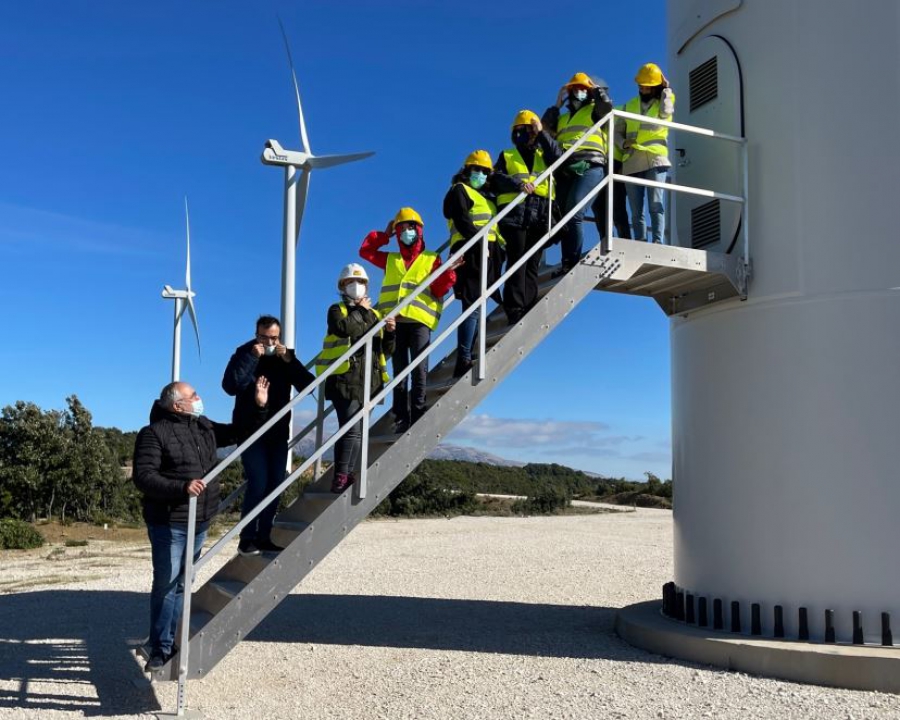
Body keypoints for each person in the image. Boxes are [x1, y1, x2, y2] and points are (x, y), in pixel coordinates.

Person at [133, 377, 269, 672]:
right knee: (167, 585)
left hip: (200, 520)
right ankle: (160, 648)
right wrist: (182, 487)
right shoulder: (153, 434)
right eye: (193, 395)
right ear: (178, 405)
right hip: (170, 523)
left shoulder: (203, 426)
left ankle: (171, 639)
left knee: (183, 584)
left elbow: (237, 433)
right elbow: (143, 477)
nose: (198, 398)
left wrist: (258, 406)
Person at [222, 315, 315, 557]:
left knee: (275, 483)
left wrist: (289, 359)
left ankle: (264, 536)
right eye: (264, 337)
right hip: (250, 431)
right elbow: (231, 385)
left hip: (277, 431)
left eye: (274, 338)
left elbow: (308, 384)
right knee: (258, 482)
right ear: (256, 334)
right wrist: (253, 357)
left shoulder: (285, 357)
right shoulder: (244, 353)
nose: (269, 342)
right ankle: (246, 539)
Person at [360, 207, 456, 433]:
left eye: (410, 227)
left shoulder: (432, 258)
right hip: (394, 322)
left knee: (419, 368)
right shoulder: (391, 259)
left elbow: (439, 289)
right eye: (401, 228)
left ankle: (418, 410)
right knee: (400, 369)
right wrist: (384, 235)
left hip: (419, 321)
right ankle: (400, 414)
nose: (406, 231)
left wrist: (449, 273)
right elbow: (366, 251)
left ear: (419, 231)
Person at [315, 264, 396, 493]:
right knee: (350, 429)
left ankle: (345, 473)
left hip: (370, 382)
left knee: (356, 430)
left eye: (360, 282)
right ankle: (341, 476)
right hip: (345, 380)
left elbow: (385, 351)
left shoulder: (375, 314)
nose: (356, 286)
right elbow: (343, 329)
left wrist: (390, 332)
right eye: (351, 282)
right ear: (342, 286)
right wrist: (361, 311)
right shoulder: (336, 309)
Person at [493, 110, 563, 324]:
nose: (524, 134)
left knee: (532, 264)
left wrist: (542, 133)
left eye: (528, 130)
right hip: (515, 217)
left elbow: (559, 158)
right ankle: (514, 309)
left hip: (539, 216)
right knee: (517, 262)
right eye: (520, 130)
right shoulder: (507, 155)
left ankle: (528, 307)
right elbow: (495, 179)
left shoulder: (545, 154)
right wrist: (518, 185)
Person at [542, 72, 613, 276]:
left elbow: (607, 108)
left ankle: (572, 263)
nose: (578, 92)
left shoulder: (594, 110)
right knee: (564, 216)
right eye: (575, 89)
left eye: (583, 89)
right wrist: (556, 103)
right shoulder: (563, 117)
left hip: (591, 165)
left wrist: (595, 89)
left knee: (574, 213)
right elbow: (545, 129)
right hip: (566, 169)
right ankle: (566, 262)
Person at [443, 149, 506, 377]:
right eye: (477, 170)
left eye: (484, 171)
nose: (481, 174)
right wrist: (479, 243)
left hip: (486, 251)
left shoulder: (486, 197)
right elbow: (461, 219)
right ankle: (464, 357)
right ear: (467, 170)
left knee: (479, 305)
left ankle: (471, 352)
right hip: (470, 250)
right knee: (472, 304)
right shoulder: (459, 190)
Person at [616, 62, 676, 244]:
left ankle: (657, 240)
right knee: (636, 210)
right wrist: (622, 143)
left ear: (656, 86)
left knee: (655, 205)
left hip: (655, 159)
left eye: (647, 86)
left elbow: (666, 113)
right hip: (632, 160)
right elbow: (616, 130)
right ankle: (640, 241)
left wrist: (667, 90)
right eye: (641, 85)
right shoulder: (629, 106)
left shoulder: (664, 102)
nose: (643, 89)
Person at [593, 77, 632, 241]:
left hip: (615, 165)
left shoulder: (616, 115)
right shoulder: (589, 118)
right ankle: (605, 238)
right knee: (598, 206)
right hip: (598, 165)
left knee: (617, 207)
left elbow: (626, 142)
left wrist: (624, 166)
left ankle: (624, 239)